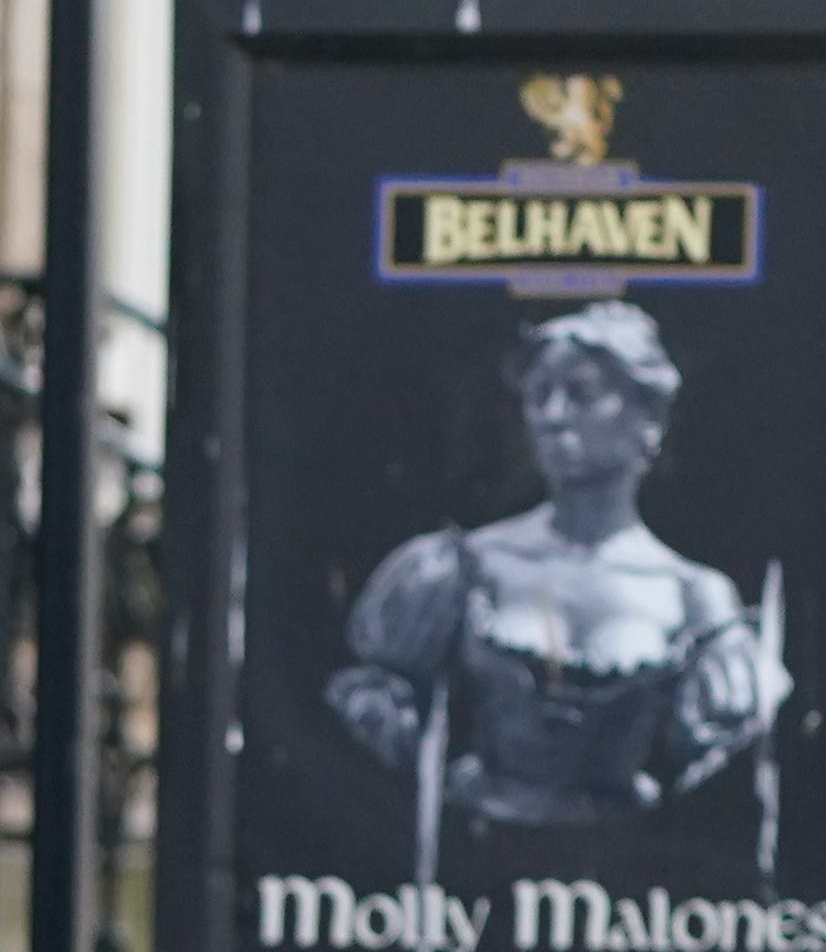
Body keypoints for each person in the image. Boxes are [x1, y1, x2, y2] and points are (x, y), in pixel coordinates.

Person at [323, 298, 788, 835]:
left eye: (581, 394)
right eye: (539, 395)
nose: (552, 415)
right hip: (473, 850)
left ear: (648, 417)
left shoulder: (694, 595)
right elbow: (370, 716)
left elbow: (727, 771)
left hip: (630, 871)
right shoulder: (464, 565)